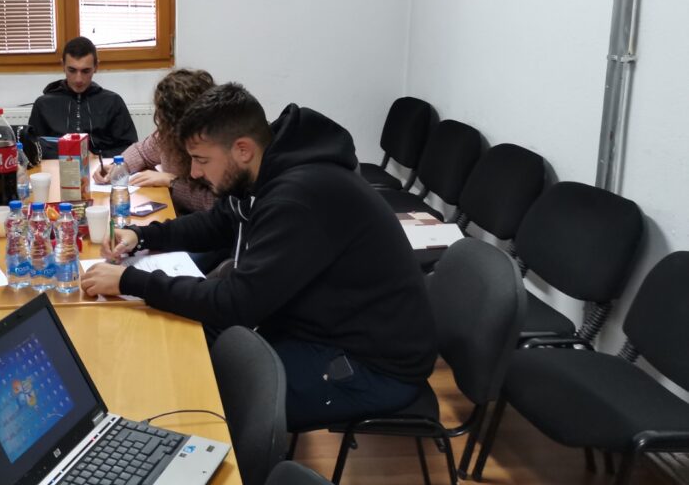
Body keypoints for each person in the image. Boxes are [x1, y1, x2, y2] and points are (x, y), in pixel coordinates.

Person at [81, 83, 436, 430]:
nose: (194, 173)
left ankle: (237, 469)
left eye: (201, 160)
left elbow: (237, 303)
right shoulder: (267, 169)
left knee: (207, 396)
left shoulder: (298, 198)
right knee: (188, 341)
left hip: (371, 364)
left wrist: (132, 281)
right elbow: (219, 222)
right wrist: (142, 235)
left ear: (242, 149)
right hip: (318, 327)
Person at [92, 68, 216, 215]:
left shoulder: (215, 145)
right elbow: (142, 151)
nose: (160, 121)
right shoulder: (168, 134)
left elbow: (214, 203)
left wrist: (172, 182)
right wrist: (119, 168)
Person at [28, 37, 138, 159]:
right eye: (72, 70)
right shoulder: (43, 104)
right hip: (56, 167)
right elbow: (33, 147)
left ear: (96, 67)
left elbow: (130, 148)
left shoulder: (113, 102)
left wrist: (97, 157)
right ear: (63, 65)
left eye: (85, 71)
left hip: (102, 166)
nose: (78, 79)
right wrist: (69, 155)